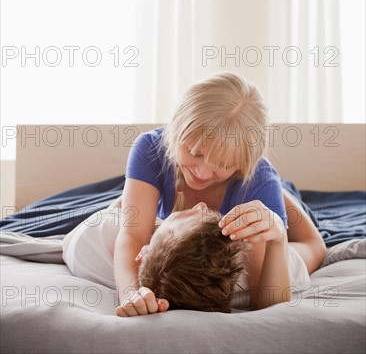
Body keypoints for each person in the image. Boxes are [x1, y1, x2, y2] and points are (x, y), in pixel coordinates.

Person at [62, 71, 327, 315]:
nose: (201, 172)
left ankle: (284, 194)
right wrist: (131, 294)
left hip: (263, 190)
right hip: (180, 215)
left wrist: (279, 237)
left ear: (241, 164)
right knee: (119, 209)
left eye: (222, 164)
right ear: (176, 132)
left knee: (307, 245)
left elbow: (267, 301)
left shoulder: (257, 183)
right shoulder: (151, 149)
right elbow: (131, 235)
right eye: (195, 152)